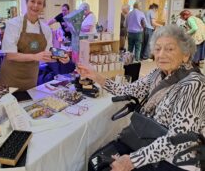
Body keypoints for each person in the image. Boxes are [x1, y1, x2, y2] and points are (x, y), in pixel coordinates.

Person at [78, 25, 205, 171]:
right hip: (147, 139)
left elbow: (177, 140)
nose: (161, 54)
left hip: (175, 159)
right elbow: (128, 89)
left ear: (185, 54)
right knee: (96, 162)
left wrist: (132, 160)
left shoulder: (193, 85)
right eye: (157, 49)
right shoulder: (158, 74)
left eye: (169, 49)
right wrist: (96, 76)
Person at [0, 0, 70, 91]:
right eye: (32, 1)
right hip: (10, 78)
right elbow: (11, 55)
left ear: (43, 7)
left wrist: (62, 57)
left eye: (39, 3)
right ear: (26, 2)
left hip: (30, 79)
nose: (35, 5)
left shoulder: (45, 29)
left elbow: (48, 55)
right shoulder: (13, 24)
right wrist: (35, 56)